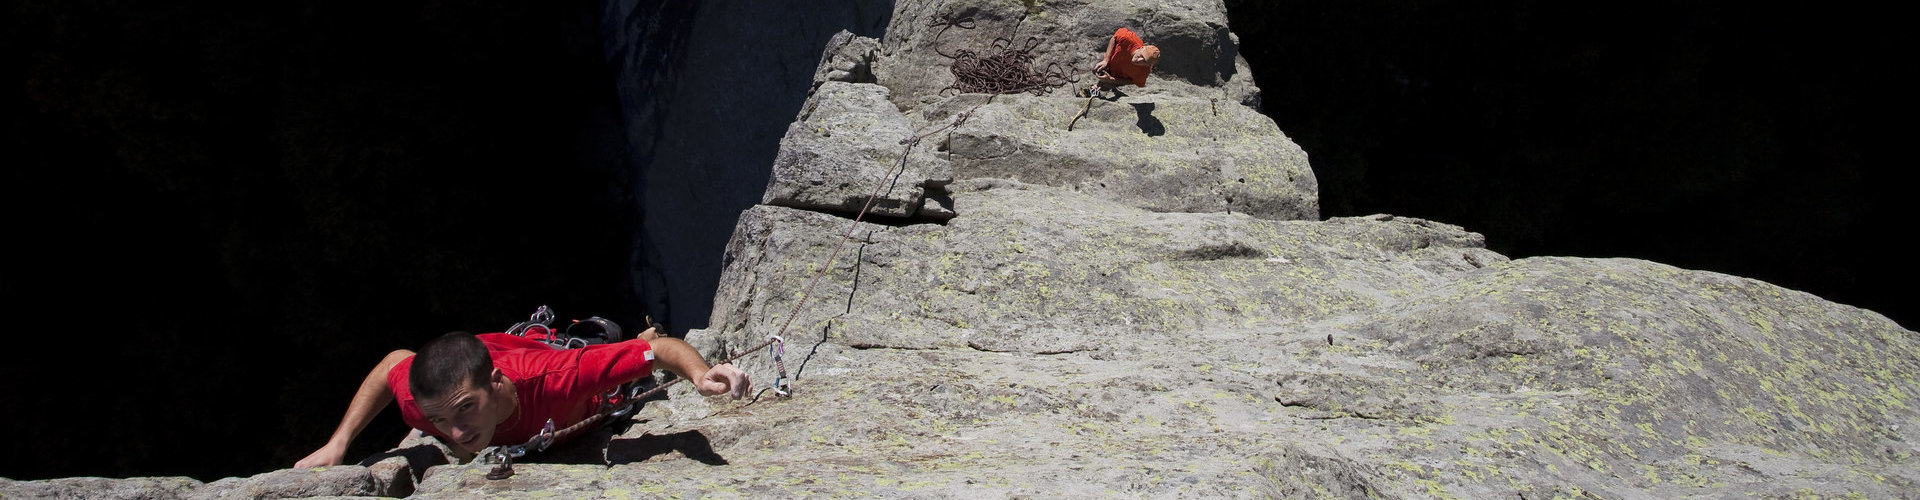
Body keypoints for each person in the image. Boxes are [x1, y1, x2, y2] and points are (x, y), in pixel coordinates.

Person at [293, 326, 749, 467]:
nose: (454, 433)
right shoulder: (423, 405)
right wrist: (339, 443)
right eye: (439, 420)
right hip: (504, 365)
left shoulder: (556, 378)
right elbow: (394, 359)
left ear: (494, 382)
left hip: (586, 401)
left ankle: (598, 336)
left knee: (620, 369)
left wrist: (701, 375)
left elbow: (660, 352)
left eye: (464, 409)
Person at [1092, 27, 1161, 91]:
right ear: (1142, 48)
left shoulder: (1144, 71)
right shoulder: (1129, 39)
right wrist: (1106, 60)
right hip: (1110, 62)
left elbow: (1132, 81)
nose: (1138, 60)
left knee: (1104, 87)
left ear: (1147, 65)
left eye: (1144, 62)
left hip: (1117, 76)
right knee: (1095, 67)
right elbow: (1115, 38)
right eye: (1141, 56)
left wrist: (1111, 79)